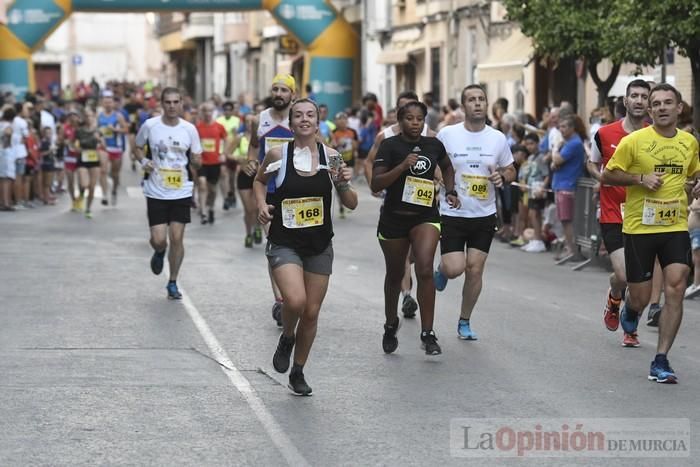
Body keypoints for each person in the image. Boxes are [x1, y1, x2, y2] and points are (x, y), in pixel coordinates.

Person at [254, 98, 357, 395]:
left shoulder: (332, 157)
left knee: (311, 312)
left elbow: (351, 203)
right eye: (298, 115)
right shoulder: (278, 154)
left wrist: (345, 183)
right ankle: (288, 336)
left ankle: (298, 371)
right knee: (295, 302)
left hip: (319, 244)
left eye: (310, 115)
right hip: (285, 241)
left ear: (317, 121)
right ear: (290, 122)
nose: (304, 120)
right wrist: (262, 205)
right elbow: (260, 182)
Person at [602, 83, 700, 384]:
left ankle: (661, 359)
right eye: (656, 103)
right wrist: (639, 177)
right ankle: (630, 311)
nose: (661, 107)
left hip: (674, 227)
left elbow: (695, 172)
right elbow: (607, 174)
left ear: (678, 107)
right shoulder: (634, 141)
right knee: (640, 297)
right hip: (639, 228)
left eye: (667, 102)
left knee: (676, 285)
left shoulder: (689, 142)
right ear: (650, 109)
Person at [372, 101, 458, 355]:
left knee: (424, 268)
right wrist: (401, 166)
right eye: (409, 118)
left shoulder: (434, 145)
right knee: (395, 274)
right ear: (400, 121)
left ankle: (428, 333)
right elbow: (376, 183)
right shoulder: (389, 146)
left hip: (425, 215)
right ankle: (390, 324)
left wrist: (451, 189)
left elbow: (448, 167)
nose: (415, 123)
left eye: (420, 119)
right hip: (394, 217)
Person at [433, 84, 516, 340]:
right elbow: (434, 163)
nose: (477, 103)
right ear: (463, 105)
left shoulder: (497, 138)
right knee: (455, 268)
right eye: (472, 99)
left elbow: (511, 170)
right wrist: (443, 183)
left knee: (475, 270)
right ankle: (443, 270)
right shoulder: (447, 134)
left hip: (483, 213)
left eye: (481, 99)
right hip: (453, 212)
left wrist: (503, 176)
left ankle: (464, 321)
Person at [587, 79, 655, 345]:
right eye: (634, 96)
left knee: (640, 280)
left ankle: (630, 327)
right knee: (626, 275)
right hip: (614, 213)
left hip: (648, 215)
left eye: (643, 96)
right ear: (625, 101)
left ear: (649, 102)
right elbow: (591, 164)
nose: (638, 100)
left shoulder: (656, 135)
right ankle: (615, 297)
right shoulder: (604, 134)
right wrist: (601, 177)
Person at [364, 91, 434, 319]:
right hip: (395, 205)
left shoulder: (430, 136)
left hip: (423, 206)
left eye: (414, 113)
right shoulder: (385, 137)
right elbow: (369, 162)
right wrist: (375, 186)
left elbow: (440, 164)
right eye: (403, 111)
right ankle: (406, 294)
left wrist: (440, 182)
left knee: (417, 256)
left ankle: (409, 285)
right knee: (403, 257)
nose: (410, 117)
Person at [134, 87, 202, 300]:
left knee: (177, 237)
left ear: (181, 104)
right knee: (159, 239)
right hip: (155, 190)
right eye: (168, 102)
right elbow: (136, 147)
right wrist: (144, 161)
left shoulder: (189, 129)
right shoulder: (150, 126)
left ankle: (172, 281)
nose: (172, 106)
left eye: (176, 102)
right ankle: (159, 251)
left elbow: (198, 157)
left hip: (181, 190)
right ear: (161, 104)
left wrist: (197, 161)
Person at [244, 74, 296, 325]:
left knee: (295, 247)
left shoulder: (300, 120)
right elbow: (253, 147)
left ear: (292, 95)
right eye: (275, 88)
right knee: (275, 244)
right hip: (269, 189)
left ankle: (292, 293)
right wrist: (251, 161)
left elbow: (319, 146)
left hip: (295, 191)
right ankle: (280, 300)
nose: (278, 93)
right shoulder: (258, 120)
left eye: (283, 89)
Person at [550, 115, 585, 261]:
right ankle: (569, 248)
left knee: (567, 220)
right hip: (561, 183)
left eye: (564, 126)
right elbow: (555, 164)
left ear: (572, 127)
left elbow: (557, 160)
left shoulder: (574, 143)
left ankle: (572, 250)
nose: (561, 130)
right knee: (564, 220)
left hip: (567, 185)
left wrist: (555, 148)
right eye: (560, 127)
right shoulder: (569, 142)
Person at [195, 102, 228, 225]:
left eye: (210, 111)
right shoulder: (197, 127)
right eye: (205, 111)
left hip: (215, 162)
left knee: (213, 190)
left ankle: (211, 208)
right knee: (202, 185)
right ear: (202, 113)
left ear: (213, 112)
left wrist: (224, 153)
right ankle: (203, 212)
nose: (208, 113)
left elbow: (226, 139)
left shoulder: (219, 127)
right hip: (202, 162)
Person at [97, 91, 127, 206]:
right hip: (103, 147)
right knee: (103, 171)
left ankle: (114, 190)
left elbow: (126, 129)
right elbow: (95, 130)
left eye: (110, 102)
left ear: (113, 103)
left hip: (116, 147)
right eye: (105, 103)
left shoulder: (118, 116)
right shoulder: (99, 116)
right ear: (102, 104)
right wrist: (99, 137)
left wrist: (115, 130)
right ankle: (104, 195)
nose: (108, 104)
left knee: (115, 174)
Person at [75, 112, 104, 219]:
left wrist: (99, 139)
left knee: (92, 187)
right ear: (84, 118)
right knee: (84, 184)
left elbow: (104, 145)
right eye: (86, 116)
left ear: (93, 118)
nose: (89, 118)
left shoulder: (98, 131)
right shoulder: (79, 131)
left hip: (94, 159)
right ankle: (82, 193)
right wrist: (76, 149)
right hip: (82, 159)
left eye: (91, 116)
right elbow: (72, 143)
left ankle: (88, 209)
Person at [216, 101, 241, 210]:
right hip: (222, 151)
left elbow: (239, 137)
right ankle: (226, 197)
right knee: (223, 174)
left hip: (233, 153)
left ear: (232, 111)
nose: (227, 112)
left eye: (229, 110)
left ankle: (232, 195)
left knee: (232, 178)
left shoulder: (237, 121)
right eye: (225, 110)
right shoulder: (218, 121)